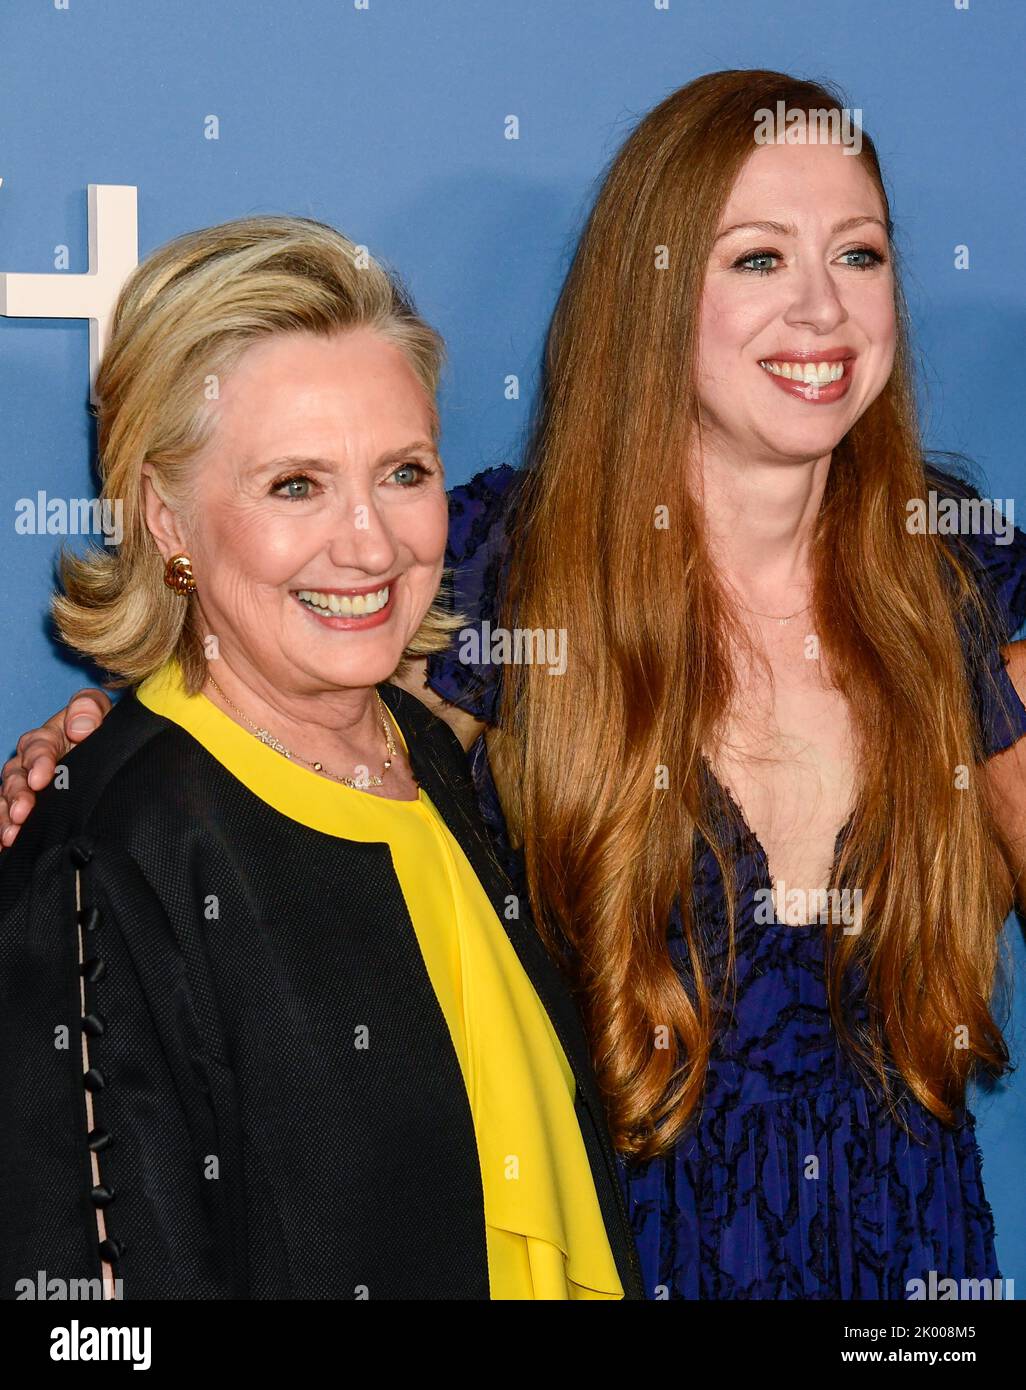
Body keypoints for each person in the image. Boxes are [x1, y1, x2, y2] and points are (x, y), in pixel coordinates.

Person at [6, 72, 1026, 1302]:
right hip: (632, 1248)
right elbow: (277, 731)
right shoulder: (507, 579)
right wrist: (82, 797)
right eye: (756, 258)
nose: (819, 306)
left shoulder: (955, 584)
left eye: (859, 253)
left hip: (913, 1273)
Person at [0, 214, 643, 1301]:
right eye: (295, 484)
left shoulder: (434, 759)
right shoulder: (115, 841)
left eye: (403, 471)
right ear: (167, 518)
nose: (370, 542)